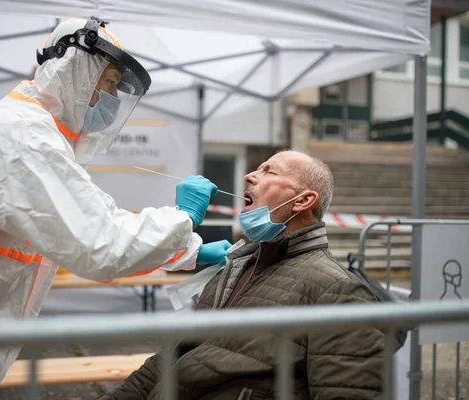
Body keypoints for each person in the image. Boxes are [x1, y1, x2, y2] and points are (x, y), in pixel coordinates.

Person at [0, 17, 231, 399]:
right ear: (74, 70)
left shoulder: (37, 133)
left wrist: (187, 251)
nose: (109, 99)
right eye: (108, 82)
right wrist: (184, 218)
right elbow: (98, 245)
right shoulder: (24, 134)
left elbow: (99, 220)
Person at [102, 150, 394, 400]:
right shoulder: (236, 266)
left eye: (269, 171)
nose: (250, 176)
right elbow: (173, 358)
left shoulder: (337, 290)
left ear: (303, 201)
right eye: (257, 168)